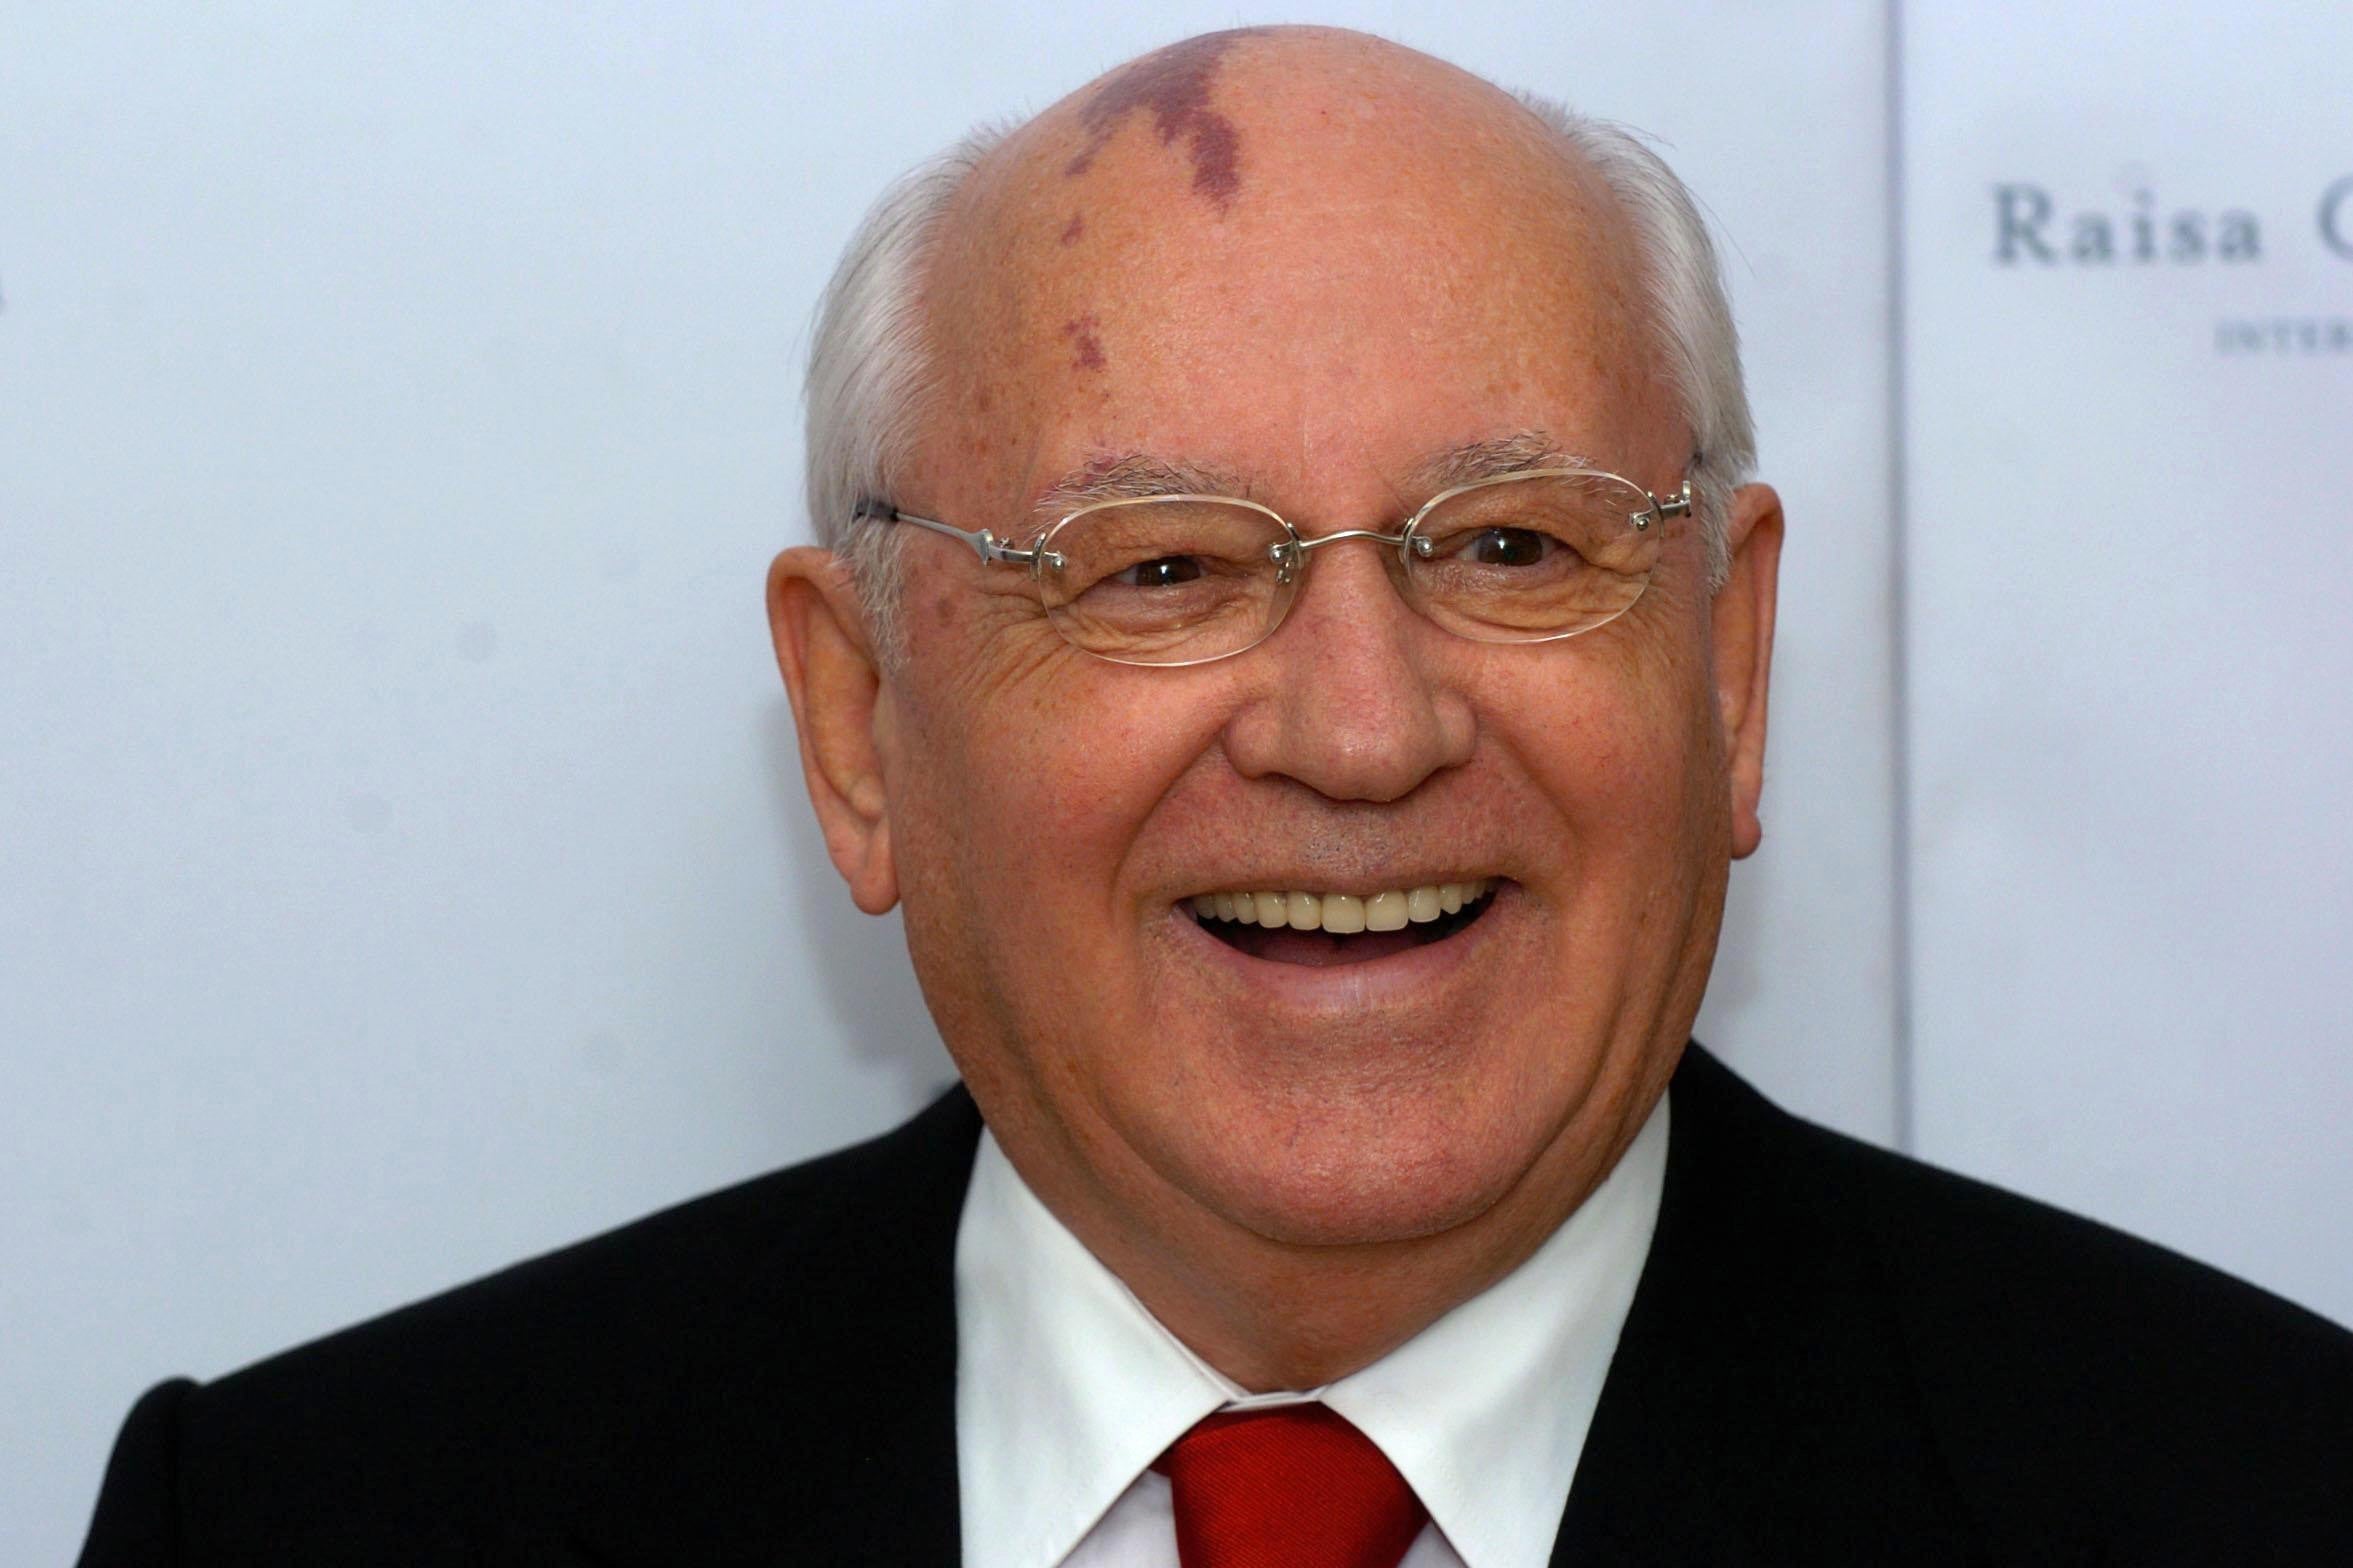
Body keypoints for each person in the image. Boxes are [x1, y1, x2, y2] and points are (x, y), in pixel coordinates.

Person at [77, 26, 2352, 1566]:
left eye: (1510, 547)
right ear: (859, 724)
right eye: (1156, 569)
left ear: (1730, 666)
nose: (1360, 732)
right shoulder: (306, 1522)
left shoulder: (2257, 1498)